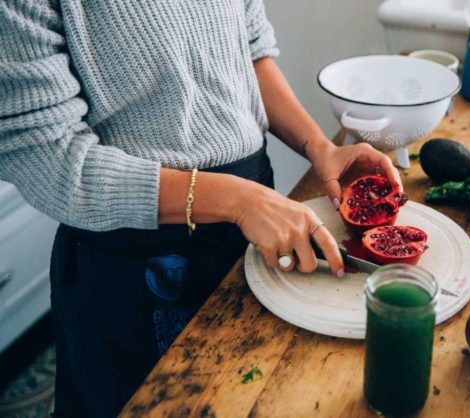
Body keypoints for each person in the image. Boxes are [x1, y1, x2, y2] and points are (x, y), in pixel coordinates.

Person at [0, 1, 401, 416]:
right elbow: (49, 158)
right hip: (134, 259)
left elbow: (249, 50)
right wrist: (238, 201)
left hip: (250, 220)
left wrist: (320, 148)